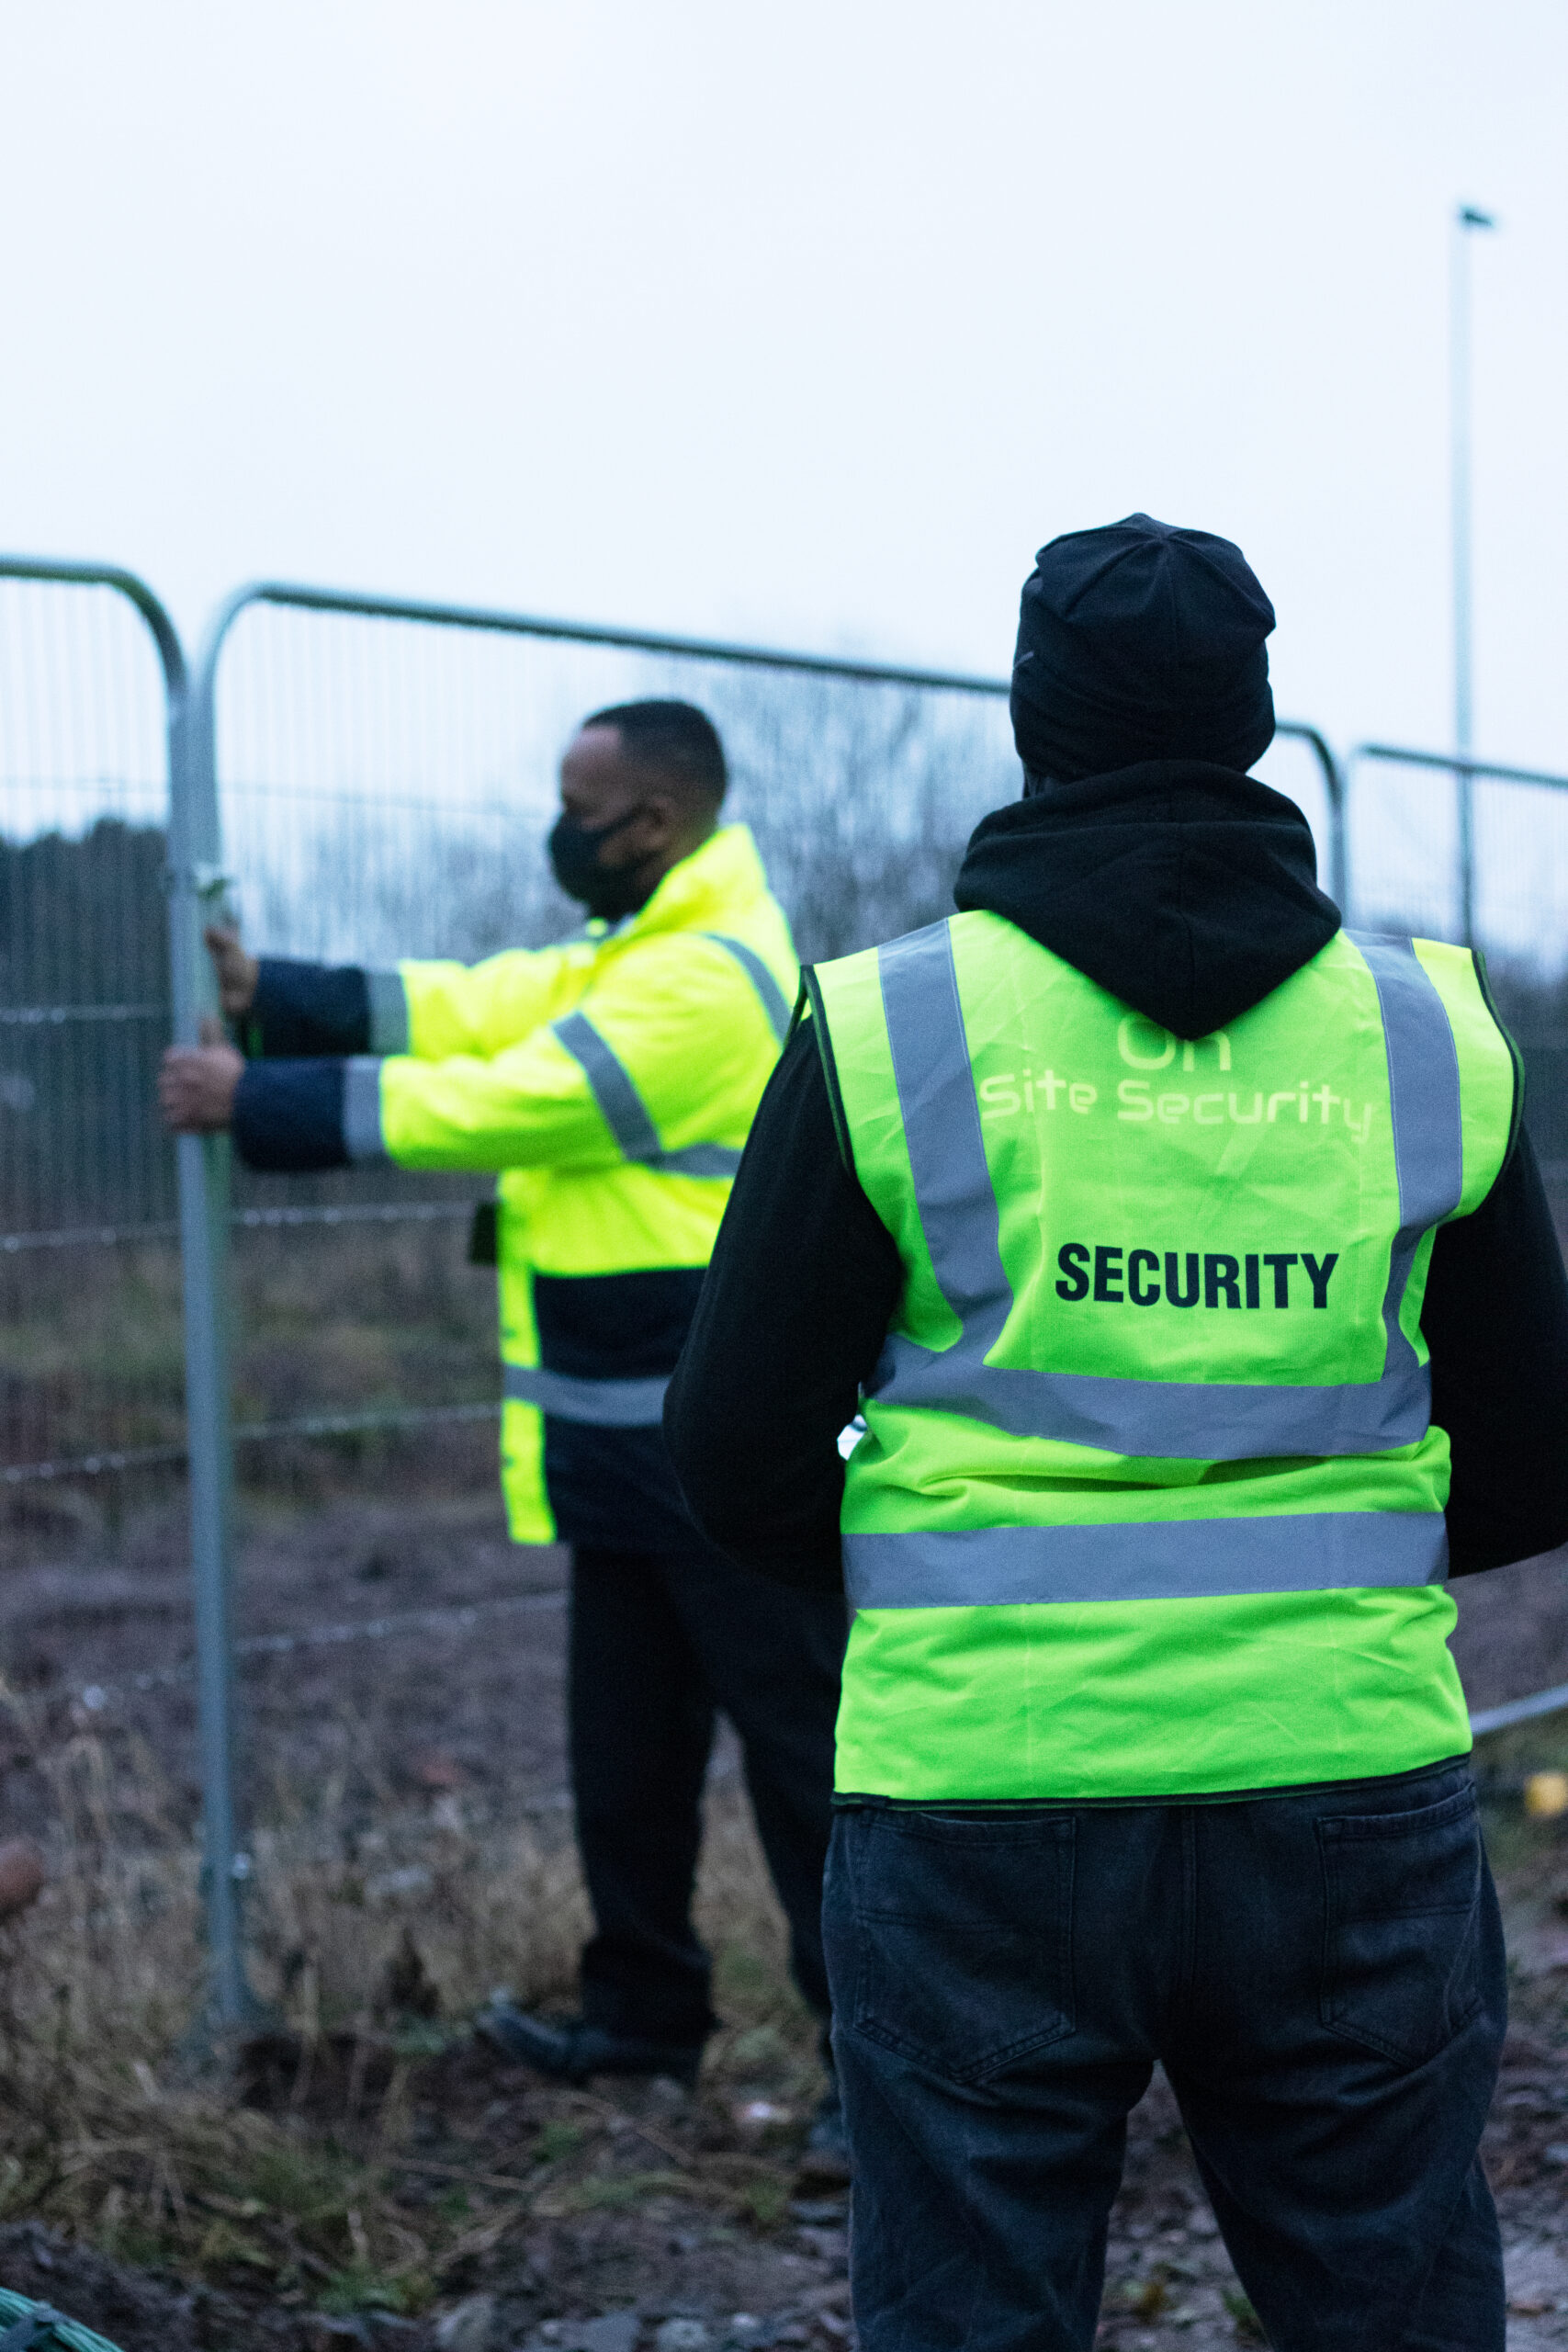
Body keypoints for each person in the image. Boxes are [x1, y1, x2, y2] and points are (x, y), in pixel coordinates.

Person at [665, 518, 1568, 2351]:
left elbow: (731, 1448)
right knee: (1391, 2304)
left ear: (1031, 719)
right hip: (1342, 1769)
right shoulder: (1426, 1031)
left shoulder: (891, 1021)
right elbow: (1539, 1446)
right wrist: (1334, 1567)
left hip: (979, 1781)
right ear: (1251, 721)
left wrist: (933, 1575)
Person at [160, 699, 847, 2157]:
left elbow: (519, 1098)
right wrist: (281, 992)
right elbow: (484, 1003)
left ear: (653, 821)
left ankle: (876, 2074)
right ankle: (641, 2021)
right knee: (626, 1760)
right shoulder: (633, 946)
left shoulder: (709, 976)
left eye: (578, 806)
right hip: (625, 1441)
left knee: (805, 1767)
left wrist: (262, 1098)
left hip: (723, 1453)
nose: (561, 830)